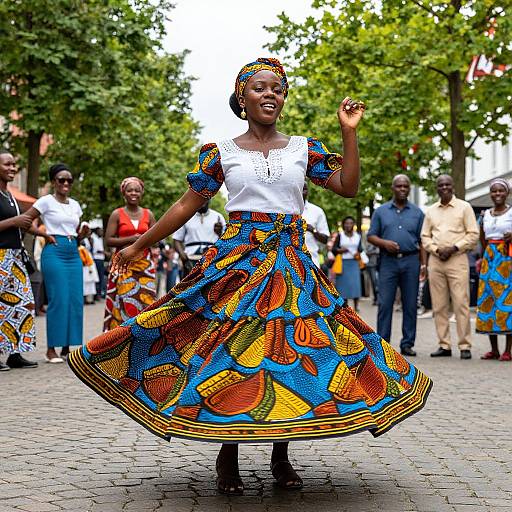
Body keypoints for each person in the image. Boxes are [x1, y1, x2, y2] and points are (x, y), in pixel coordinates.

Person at [68, 57, 431, 496]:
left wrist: (348, 133)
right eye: (260, 87)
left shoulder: (304, 149)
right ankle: (228, 454)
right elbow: (186, 205)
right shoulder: (221, 151)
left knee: (288, 355)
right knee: (231, 354)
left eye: (277, 88)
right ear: (242, 97)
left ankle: (281, 453)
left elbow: (348, 187)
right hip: (236, 265)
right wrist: (140, 243)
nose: (270, 94)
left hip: (291, 266)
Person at [18, 163, 88, 363]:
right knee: (59, 299)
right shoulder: (46, 201)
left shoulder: (75, 204)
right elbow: (26, 220)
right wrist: (43, 234)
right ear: (53, 182)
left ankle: (67, 349)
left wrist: (82, 234)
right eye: (61, 180)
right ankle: (51, 350)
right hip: (54, 252)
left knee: (75, 300)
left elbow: (76, 232)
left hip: (73, 251)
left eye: (69, 180)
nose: (65, 183)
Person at [367, 175, 426, 357]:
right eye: (399, 186)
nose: (402, 189)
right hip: (387, 261)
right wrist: (384, 243)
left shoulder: (418, 213)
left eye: (405, 186)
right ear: (393, 188)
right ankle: (383, 344)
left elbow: (422, 241)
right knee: (385, 303)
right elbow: (371, 235)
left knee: (410, 304)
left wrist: (424, 264)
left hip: (411, 261)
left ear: (409, 189)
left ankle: (407, 343)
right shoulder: (381, 211)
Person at [421, 174, 479, 359]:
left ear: (452, 186)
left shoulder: (465, 207)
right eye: (440, 185)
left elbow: (473, 234)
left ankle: (465, 346)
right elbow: (424, 236)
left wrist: (454, 248)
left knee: (461, 303)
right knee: (439, 305)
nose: (444, 187)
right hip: (436, 261)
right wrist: (436, 249)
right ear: (437, 188)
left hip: (457, 259)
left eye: (447, 184)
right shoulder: (431, 211)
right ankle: (444, 345)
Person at [0, 150, 43, 370]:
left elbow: (22, 224)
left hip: (15, 255)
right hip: (0, 256)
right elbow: (13, 223)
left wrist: (44, 235)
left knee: (21, 302)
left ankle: (15, 353)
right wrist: (14, 221)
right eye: (7, 164)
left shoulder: (11, 197)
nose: (12, 168)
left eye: (14, 164)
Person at [103, 177, 156, 331]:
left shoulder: (148, 214)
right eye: (130, 190)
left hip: (144, 266)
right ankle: (121, 338)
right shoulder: (117, 214)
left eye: (137, 190)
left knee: (147, 301)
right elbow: (109, 240)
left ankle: (144, 338)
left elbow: (157, 239)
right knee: (123, 301)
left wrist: (144, 241)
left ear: (142, 193)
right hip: (123, 264)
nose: (133, 193)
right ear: (124, 193)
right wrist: (132, 239)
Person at [476, 178, 512, 361]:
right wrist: (483, 258)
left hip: (507, 260)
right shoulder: (485, 215)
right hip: (489, 259)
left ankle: (507, 350)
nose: (497, 194)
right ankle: (494, 349)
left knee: (506, 302)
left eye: (501, 191)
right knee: (488, 300)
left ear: (507, 193)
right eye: (494, 191)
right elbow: (482, 238)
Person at [173, 200, 225, 277]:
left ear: (210, 199)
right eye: (199, 199)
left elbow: (226, 240)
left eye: (204, 198)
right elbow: (176, 239)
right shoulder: (187, 216)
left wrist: (220, 233)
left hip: (212, 259)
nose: (202, 201)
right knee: (189, 287)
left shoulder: (218, 217)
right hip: (190, 259)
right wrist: (183, 256)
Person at [332, 216, 362, 311]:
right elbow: (334, 249)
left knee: (355, 284)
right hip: (343, 263)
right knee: (343, 285)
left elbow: (361, 249)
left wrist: (358, 253)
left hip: (354, 263)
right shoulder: (340, 235)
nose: (348, 225)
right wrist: (340, 250)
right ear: (343, 225)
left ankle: (356, 306)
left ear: (354, 225)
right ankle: (345, 306)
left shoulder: (358, 236)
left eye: (351, 223)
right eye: (346, 223)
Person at [302, 182, 330, 267]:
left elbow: (325, 239)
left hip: (311, 261)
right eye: (299, 188)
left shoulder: (317, 211)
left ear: (308, 191)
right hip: (287, 263)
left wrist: (312, 230)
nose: (301, 191)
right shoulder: (285, 210)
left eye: (304, 189)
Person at [91, 227, 106, 300]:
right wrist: (103, 252)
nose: (102, 233)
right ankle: (96, 295)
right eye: (100, 231)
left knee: (101, 277)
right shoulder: (94, 238)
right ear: (97, 232)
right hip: (96, 259)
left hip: (101, 259)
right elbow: (94, 250)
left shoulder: (100, 239)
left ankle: (99, 294)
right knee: (97, 278)